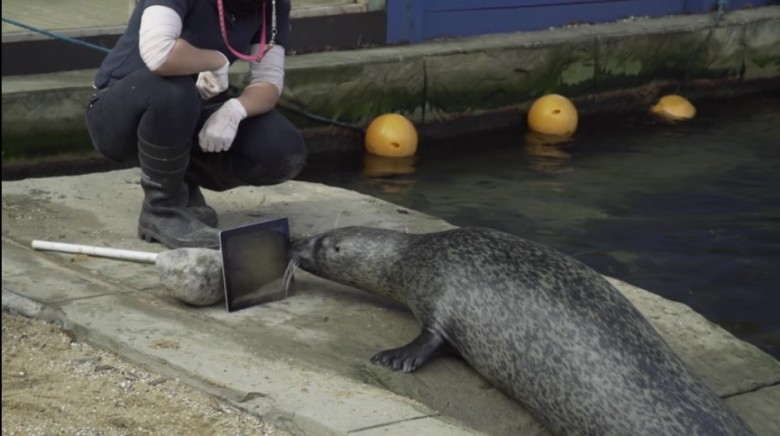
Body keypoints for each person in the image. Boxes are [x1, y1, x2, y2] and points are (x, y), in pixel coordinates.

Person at [85, 0, 306, 249]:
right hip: (124, 110)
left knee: (283, 150)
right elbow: (159, 54)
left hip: (193, 106)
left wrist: (236, 110)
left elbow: (268, 81)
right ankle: (162, 210)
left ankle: (182, 186)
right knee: (175, 92)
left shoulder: (272, 5)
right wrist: (217, 61)